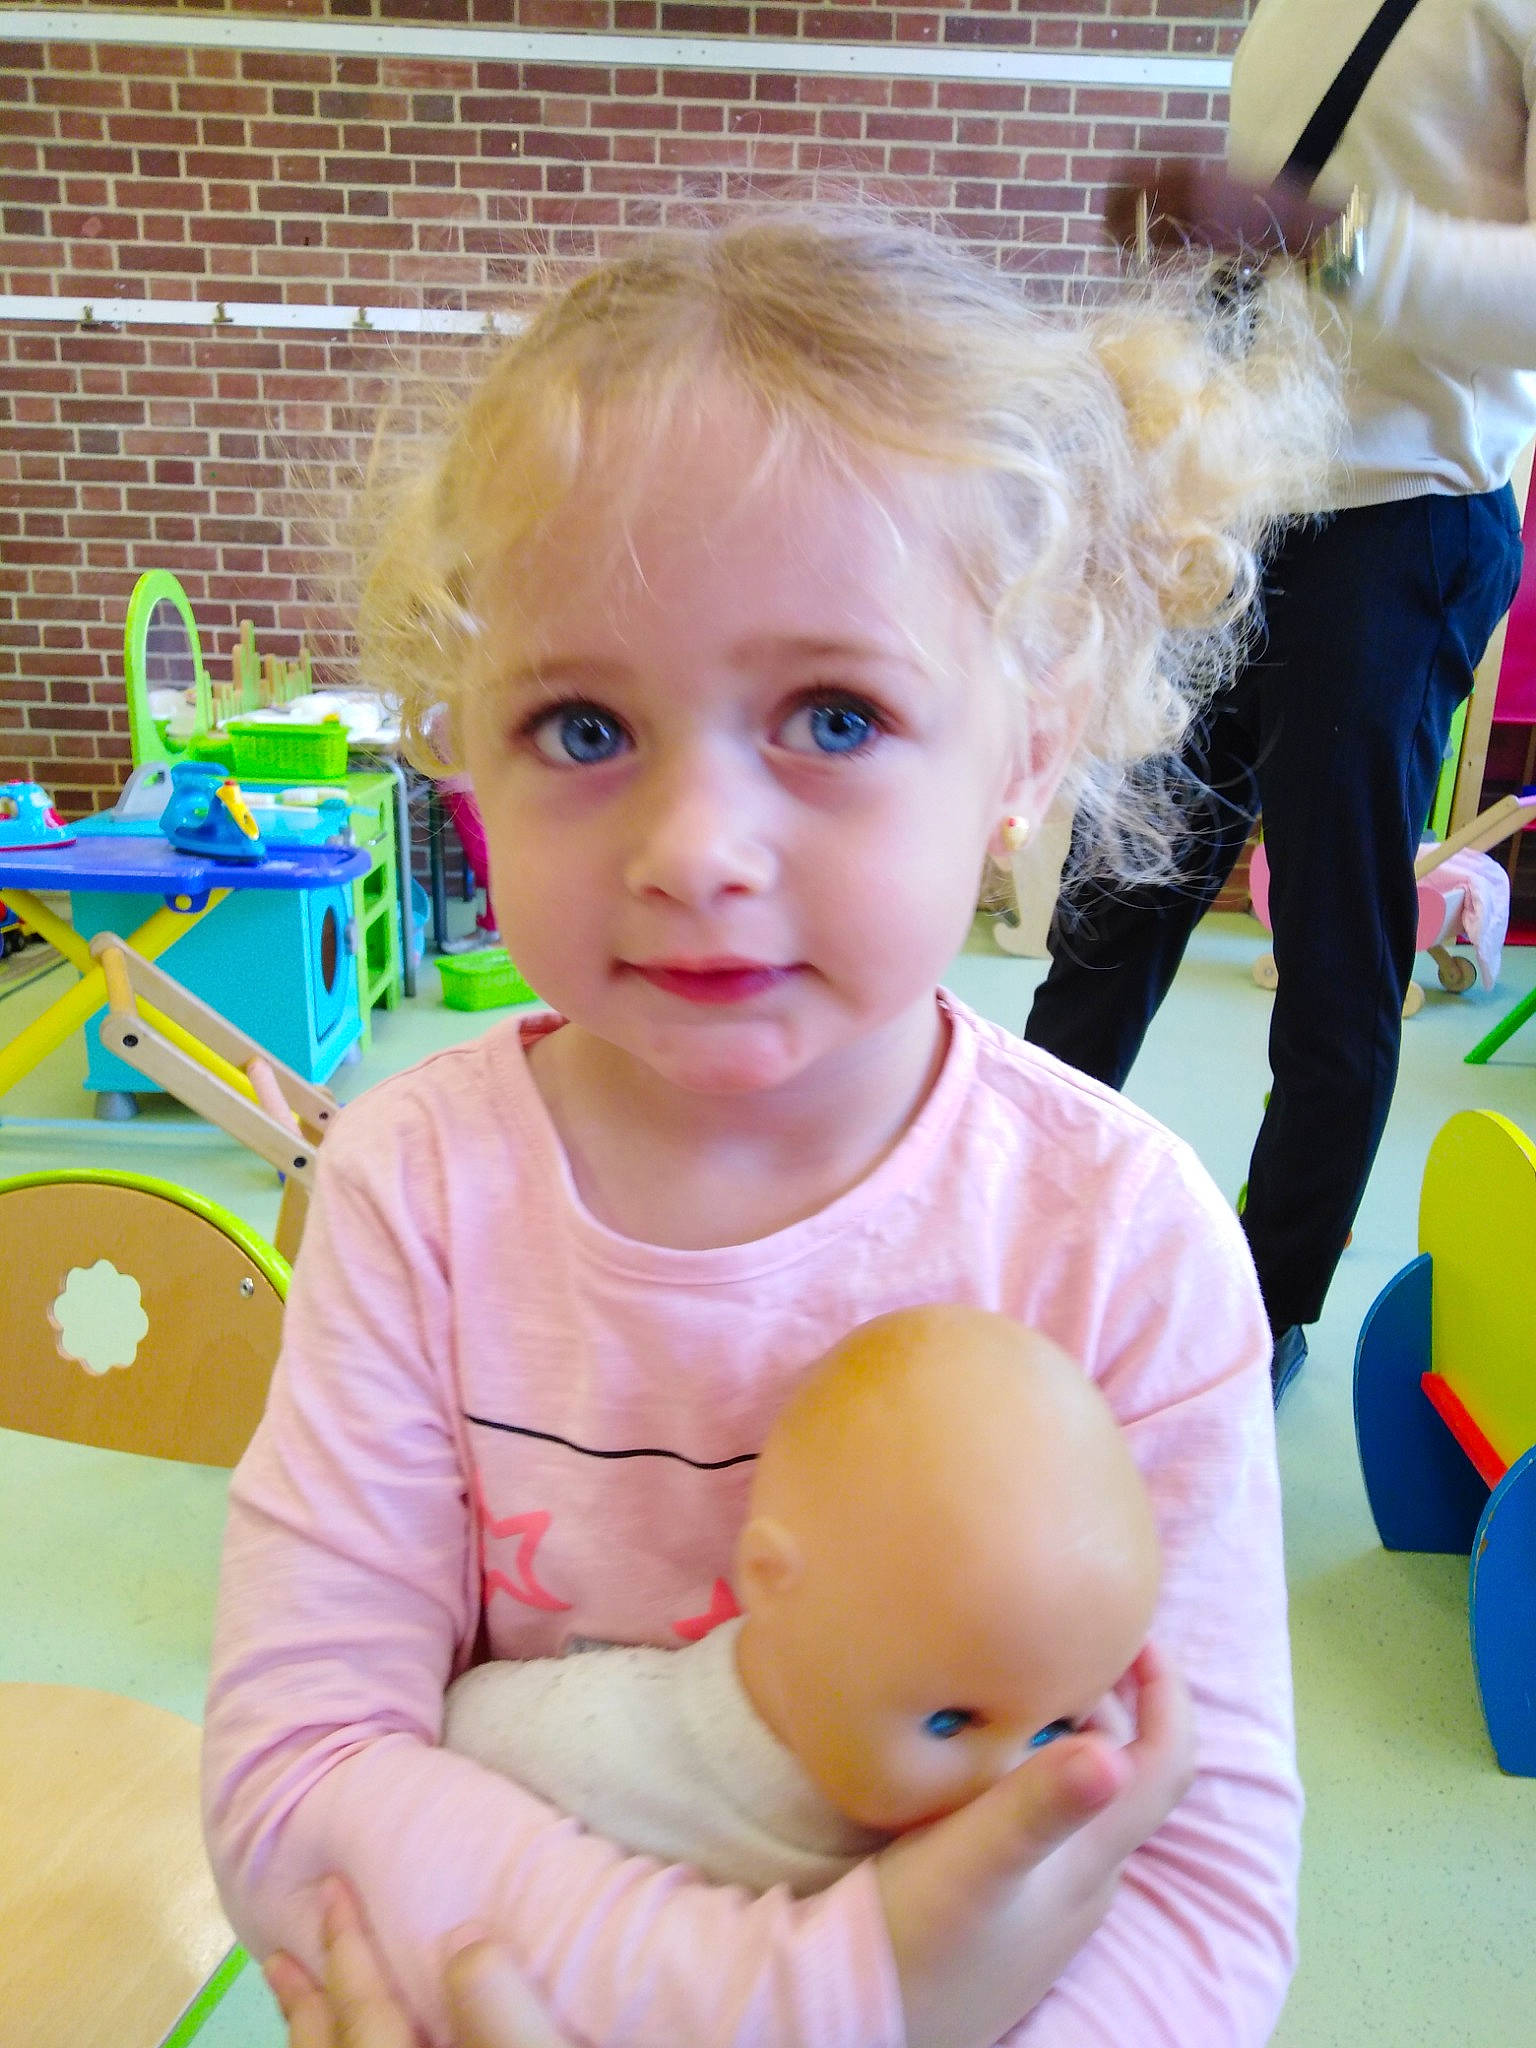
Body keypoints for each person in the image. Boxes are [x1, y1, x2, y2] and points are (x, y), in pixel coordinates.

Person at [203, 214, 1329, 2048]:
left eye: (830, 712)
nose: (693, 846)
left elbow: (1193, 1883)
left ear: (1028, 747)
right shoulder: (418, 1186)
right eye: (582, 723)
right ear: (461, 744)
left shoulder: (1115, 1237)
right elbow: (297, 1768)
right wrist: (801, 2004)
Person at [1025, 0, 1534, 1402]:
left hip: (1400, 523)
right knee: (1108, 912)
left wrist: (1329, 232)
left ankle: (1261, 1316)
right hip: (1243, 506)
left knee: (1331, 957)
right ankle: (1009, 1238)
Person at [442, 1308, 1162, 1894]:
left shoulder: (1023, 1856)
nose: (1015, 1788)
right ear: (771, 1581)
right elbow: (443, 1750)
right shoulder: (591, 1743)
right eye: (950, 1720)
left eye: (1054, 1729)